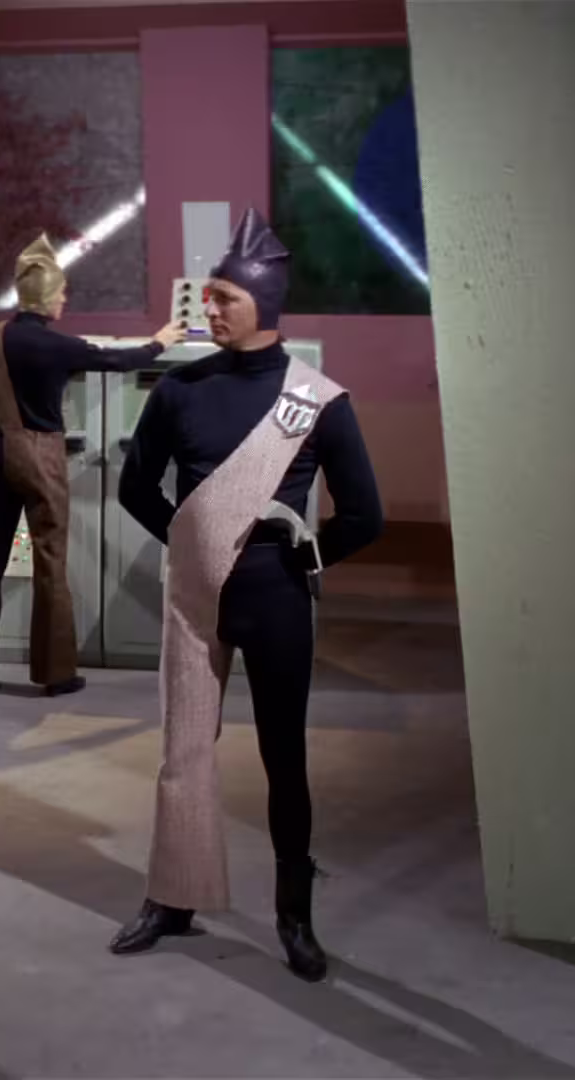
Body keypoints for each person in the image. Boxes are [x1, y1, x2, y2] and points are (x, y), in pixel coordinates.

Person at [108, 208, 383, 980]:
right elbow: (135, 487)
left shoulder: (318, 401)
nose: (210, 307)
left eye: (225, 296)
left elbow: (366, 515)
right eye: (209, 294)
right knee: (182, 751)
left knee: (283, 757)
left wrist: (307, 557)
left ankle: (294, 917)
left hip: (276, 597)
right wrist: (191, 541)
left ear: (264, 300)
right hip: (198, 594)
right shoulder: (179, 390)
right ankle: (173, 897)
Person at [0, 234, 187, 695]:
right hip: (43, 457)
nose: (65, 300)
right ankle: (56, 674)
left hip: (1, 455)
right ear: (47, 298)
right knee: (50, 563)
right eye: (62, 293)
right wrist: (160, 342)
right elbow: (119, 361)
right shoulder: (60, 346)